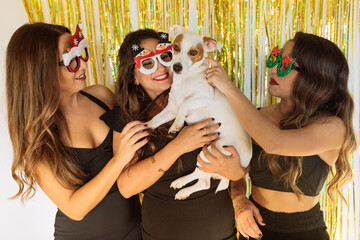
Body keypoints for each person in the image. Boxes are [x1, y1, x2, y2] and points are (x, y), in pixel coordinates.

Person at [202, 32, 357, 240]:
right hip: (255, 229)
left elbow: (274, 143)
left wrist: (229, 89)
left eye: (284, 63)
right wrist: (239, 199)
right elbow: (239, 171)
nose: (272, 68)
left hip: (305, 234)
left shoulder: (333, 127)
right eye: (275, 57)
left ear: (314, 76)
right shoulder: (257, 116)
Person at [100, 28, 248, 240]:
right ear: (134, 77)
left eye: (165, 56)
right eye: (148, 63)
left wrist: (238, 182)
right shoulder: (128, 119)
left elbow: (238, 164)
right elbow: (126, 187)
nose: (161, 67)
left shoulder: (207, 91)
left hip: (220, 232)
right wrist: (179, 145)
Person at [6, 22, 147, 239]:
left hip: (136, 230)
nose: (82, 65)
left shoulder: (102, 97)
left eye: (81, 53)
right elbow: (74, 209)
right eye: (71, 60)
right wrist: (118, 160)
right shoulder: (39, 137)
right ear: (42, 71)